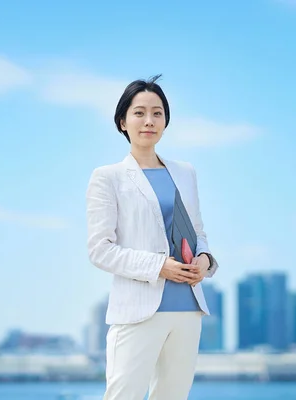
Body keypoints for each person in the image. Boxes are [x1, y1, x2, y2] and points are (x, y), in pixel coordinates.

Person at [86, 74, 219, 400]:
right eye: (140, 112)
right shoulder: (108, 177)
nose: (149, 121)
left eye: (157, 113)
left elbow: (197, 232)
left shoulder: (185, 172)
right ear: (122, 122)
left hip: (188, 307)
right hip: (138, 308)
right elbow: (99, 250)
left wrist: (205, 260)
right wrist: (159, 266)